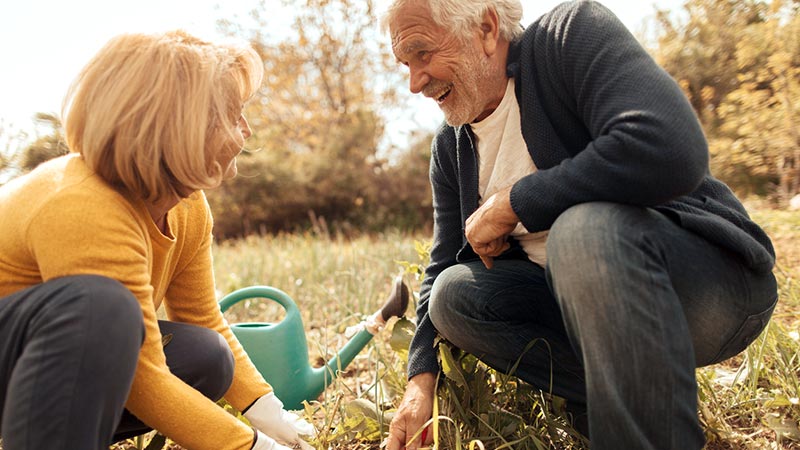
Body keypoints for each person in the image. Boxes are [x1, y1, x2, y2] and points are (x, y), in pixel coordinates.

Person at [383, 1, 779, 449]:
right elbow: (440, 262)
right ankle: (626, 405)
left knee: (582, 232)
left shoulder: (569, 36)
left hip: (709, 290)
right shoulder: (450, 148)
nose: (415, 82)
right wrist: (421, 381)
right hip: (586, 316)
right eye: (405, 64)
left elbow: (671, 146)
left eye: (423, 54)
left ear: (487, 28)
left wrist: (514, 203)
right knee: (453, 296)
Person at [0, 30, 313, 450]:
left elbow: (201, 315)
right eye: (234, 116)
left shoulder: (186, 205)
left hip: (34, 367)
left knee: (206, 354)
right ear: (181, 126)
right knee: (103, 307)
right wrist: (253, 446)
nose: (247, 132)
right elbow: (141, 375)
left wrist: (271, 415)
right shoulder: (82, 204)